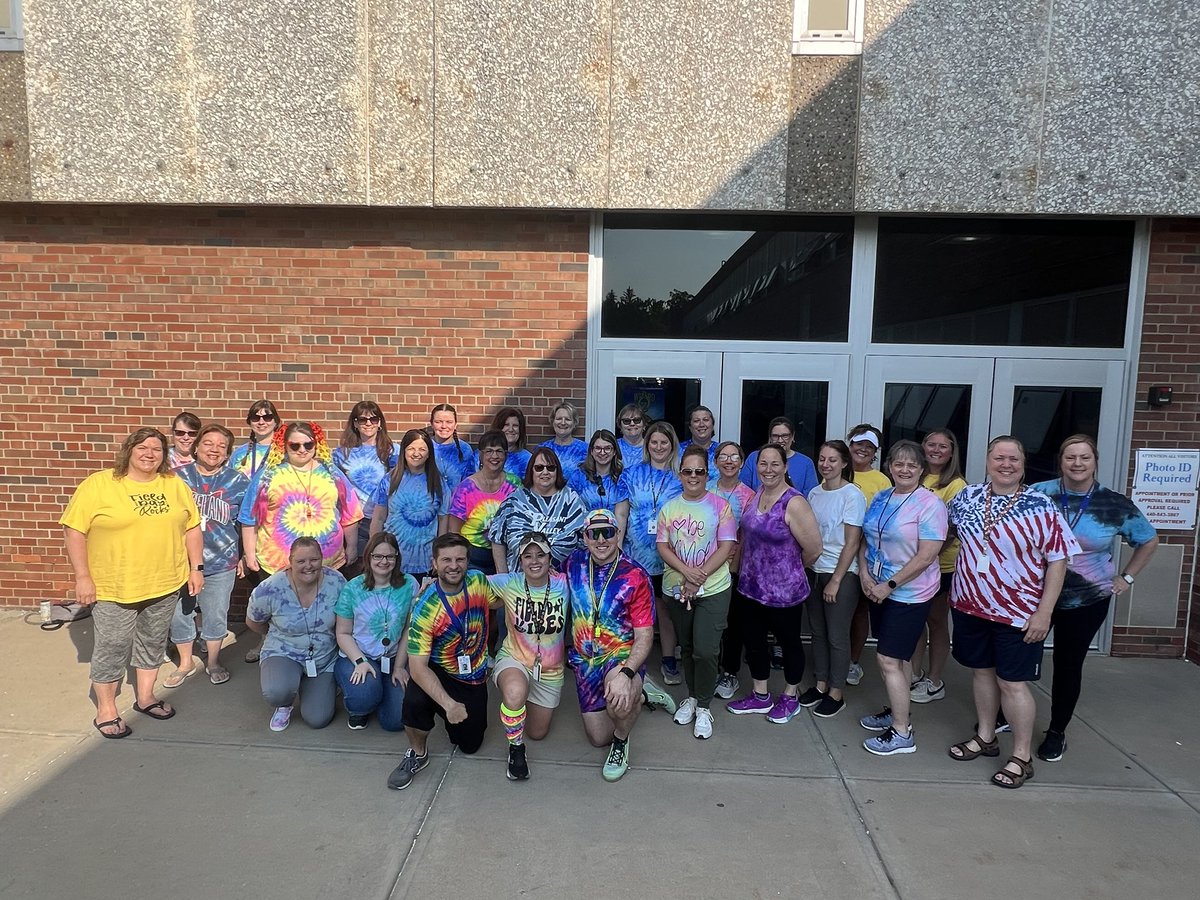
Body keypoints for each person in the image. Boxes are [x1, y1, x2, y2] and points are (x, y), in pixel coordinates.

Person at [946, 436, 1078, 789]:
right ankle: (986, 737)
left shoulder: (1041, 505)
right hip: (970, 606)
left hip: (1019, 612)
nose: (1006, 464)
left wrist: (1044, 613)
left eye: (1013, 459)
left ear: (1024, 463)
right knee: (982, 674)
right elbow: (945, 537)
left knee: (1012, 683)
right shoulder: (967, 498)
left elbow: (1058, 562)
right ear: (987, 459)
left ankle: (1021, 755)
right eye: (999, 457)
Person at [61, 427, 204, 737]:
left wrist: (197, 567)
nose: (149, 453)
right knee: (112, 647)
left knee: (152, 642)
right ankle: (107, 709)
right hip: (114, 586)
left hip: (165, 583)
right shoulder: (100, 484)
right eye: (143, 447)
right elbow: (74, 531)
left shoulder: (173, 485)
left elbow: (191, 527)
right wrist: (83, 577)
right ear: (129, 450)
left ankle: (146, 697)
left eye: (157, 448)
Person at [1029, 434, 1157, 762]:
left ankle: (1057, 731)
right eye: (1070, 457)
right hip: (1032, 594)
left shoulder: (1113, 504)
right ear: (1060, 461)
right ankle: (1006, 714)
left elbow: (1148, 540)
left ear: (1094, 461)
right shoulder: (1038, 494)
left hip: (1085, 599)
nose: (1077, 464)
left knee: (1067, 664)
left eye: (1084, 457)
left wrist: (1126, 577)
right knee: (1018, 657)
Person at [565, 509, 677, 781]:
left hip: (620, 657)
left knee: (620, 702)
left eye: (608, 532)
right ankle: (644, 692)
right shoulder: (572, 563)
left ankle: (621, 740)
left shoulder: (635, 575)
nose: (601, 540)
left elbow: (644, 636)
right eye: (594, 533)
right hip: (586, 662)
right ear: (585, 537)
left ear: (618, 535)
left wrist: (627, 673)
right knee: (596, 737)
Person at [857, 440, 947, 756]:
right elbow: (866, 539)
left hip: (909, 593)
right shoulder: (882, 497)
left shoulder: (930, 504)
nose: (904, 469)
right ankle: (900, 711)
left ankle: (901, 733)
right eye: (898, 463)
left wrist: (889, 585)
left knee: (887, 659)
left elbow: (927, 555)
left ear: (922, 469)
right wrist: (866, 575)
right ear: (890, 467)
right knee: (900, 658)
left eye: (911, 465)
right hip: (879, 589)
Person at [387, 534, 493, 791]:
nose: (453, 565)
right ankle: (417, 752)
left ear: (468, 562)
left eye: (460, 559)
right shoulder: (425, 607)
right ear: (434, 563)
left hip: (473, 676)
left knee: (469, 745)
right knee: (413, 701)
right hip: (439, 670)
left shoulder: (478, 581)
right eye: (446, 559)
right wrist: (449, 704)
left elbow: (502, 598)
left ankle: (451, 718)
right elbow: (418, 667)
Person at [725, 444, 821, 725]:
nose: (768, 469)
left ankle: (790, 697)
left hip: (785, 593)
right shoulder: (756, 497)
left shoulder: (794, 502)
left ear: (785, 467)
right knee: (754, 643)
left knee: (789, 643)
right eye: (763, 464)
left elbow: (814, 548)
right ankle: (760, 694)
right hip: (750, 588)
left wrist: (788, 570)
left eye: (775, 464)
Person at [656, 445, 738, 739]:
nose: (693, 476)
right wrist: (686, 572)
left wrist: (697, 575)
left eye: (699, 471)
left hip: (713, 589)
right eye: (688, 471)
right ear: (680, 474)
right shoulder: (669, 508)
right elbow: (663, 546)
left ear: (707, 473)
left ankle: (704, 705)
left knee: (706, 649)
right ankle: (691, 697)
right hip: (676, 589)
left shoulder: (721, 506)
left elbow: (727, 545)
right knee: (688, 647)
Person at [166, 423, 249, 688]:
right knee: (180, 613)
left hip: (221, 559)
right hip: (178, 560)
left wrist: (245, 555)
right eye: (208, 444)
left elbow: (246, 521)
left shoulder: (238, 481)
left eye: (221, 447)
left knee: (215, 613)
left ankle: (213, 661)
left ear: (227, 454)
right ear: (196, 446)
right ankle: (185, 662)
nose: (214, 450)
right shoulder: (174, 478)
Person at [487, 532, 568, 781]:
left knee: (538, 732)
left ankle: (521, 709)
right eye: (527, 556)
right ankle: (516, 750)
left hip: (550, 670)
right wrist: (430, 583)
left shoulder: (565, 583)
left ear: (549, 557)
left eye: (540, 555)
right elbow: (468, 584)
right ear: (520, 560)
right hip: (515, 659)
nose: (534, 561)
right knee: (514, 694)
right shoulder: (508, 582)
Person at [239, 421, 364, 579]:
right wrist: (249, 555)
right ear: (285, 446)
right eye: (295, 446)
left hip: (328, 563)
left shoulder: (332, 472)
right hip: (278, 566)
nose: (302, 450)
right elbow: (249, 518)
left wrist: (352, 546)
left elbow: (350, 512)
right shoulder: (267, 475)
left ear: (316, 445)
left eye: (308, 445)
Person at [245, 537, 346, 731]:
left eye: (314, 559)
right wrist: (269, 635)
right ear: (290, 562)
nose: (308, 566)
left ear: (322, 558)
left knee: (318, 719)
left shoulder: (337, 581)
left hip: (324, 658)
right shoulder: (270, 588)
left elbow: (347, 618)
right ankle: (284, 705)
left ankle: (317, 687)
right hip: (284, 651)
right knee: (277, 691)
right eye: (301, 561)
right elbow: (253, 621)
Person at [614, 421, 683, 684]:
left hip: (669, 557)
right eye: (653, 442)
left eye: (664, 442)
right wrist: (618, 548)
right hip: (636, 555)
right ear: (647, 445)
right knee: (632, 610)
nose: (658, 447)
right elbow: (621, 512)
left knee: (665, 610)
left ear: (672, 445)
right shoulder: (631, 474)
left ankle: (668, 660)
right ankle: (627, 662)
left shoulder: (680, 476)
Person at [801, 440, 865, 718]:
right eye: (822, 459)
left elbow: (852, 542)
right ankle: (821, 683)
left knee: (837, 636)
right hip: (814, 571)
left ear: (844, 463)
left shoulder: (852, 495)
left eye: (832, 460)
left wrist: (837, 579)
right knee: (818, 632)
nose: (826, 465)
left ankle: (836, 693)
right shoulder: (814, 493)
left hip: (841, 574)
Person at [333, 532, 418, 731]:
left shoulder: (409, 585)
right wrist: (360, 662)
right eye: (377, 556)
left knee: (396, 722)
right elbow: (343, 633)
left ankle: (382, 693)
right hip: (358, 655)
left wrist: (399, 667)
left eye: (389, 556)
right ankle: (359, 709)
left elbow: (408, 628)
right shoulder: (353, 588)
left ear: (397, 557)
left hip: (393, 656)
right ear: (368, 556)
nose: (383, 561)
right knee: (364, 693)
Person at [909, 428, 968, 705]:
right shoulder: (915, 475)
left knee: (936, 621)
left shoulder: (956, 485)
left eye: (943, 446)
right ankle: (914, 672)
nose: (936, 450)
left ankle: (934, 681)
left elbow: (953, 530)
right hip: (912, 564)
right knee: (916, 620)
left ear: (952, 452)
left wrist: (930, 556)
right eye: (931, 444)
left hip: (940, 566)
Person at [490, 446, 587, 572]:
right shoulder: (515, 500)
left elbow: (586, 540)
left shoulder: (571, 500)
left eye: (551, 468)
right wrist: (503, 576)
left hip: (563, 582)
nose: (545, 472)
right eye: (539, 468)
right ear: (531, 471)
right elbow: (497, 539)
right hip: (519, 581)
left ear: (557, 471)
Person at [710, 441, 757, 701]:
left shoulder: (749, 496)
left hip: (734, 566)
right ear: (715, 462)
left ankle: (730, 671)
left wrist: (734, 564)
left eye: (734, 457)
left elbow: (747, 535)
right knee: (708, 621)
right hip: (705, 566)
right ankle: (708, 666)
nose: (728, 461)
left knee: (732, 622)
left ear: (741, 463)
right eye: (723, 456)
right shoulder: (704, 490)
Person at [846, 423, 892, 687]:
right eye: (859, 444)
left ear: (875, 452)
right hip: (835, 552)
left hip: (865, 553)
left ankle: (852, 661)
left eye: (869, 447)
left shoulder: (881, 480)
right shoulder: (837, 471)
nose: (863, 450)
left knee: (858, 611)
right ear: (850, 445)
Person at [371, 428, 449, 577]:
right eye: (411, 449)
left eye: (422, 449)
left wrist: (439, 555)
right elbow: (378, 518)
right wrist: (374, 550)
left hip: (426, 561)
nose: (416, 453)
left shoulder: (439, 483)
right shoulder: (390, 479)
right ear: (404, 452)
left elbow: (443, 520)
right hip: (393, 561)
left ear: (429, 454)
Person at [334, 401, 398, 577]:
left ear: (379, 423)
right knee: (356, 574)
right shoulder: (341, 454)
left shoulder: (393, 452)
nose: (368, 423)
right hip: (355, 523)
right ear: (355, 423)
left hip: (382, 520)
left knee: (382, 574)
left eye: (373, 419)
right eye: (362, 420)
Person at [447, 430, 521, 576]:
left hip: (507, 558)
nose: (494, 456)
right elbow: (454, 531)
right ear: (480, 455)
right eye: (489, 451)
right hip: (473, 560)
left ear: (506, 455)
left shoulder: (515, 484)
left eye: (499, 451)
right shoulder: (465, 488)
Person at [739, 416, 819, 496]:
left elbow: (811, 497)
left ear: (793, 436)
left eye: (785, 436)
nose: (780, 440)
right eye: (775, 436)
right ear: (770, 437)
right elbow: (743, 491)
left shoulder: (806, 463)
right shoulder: (754, 458)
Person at [568, 429, 627, 520]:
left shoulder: (622, 477)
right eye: (598, 448)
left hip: (614, 531)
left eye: (607, 448)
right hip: (583, 531)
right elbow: (569, 507)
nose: (602, 453)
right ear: (591, 451)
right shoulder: (578, 476)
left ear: (615, 451)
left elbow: (622, 515)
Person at [429, 403, 477, 496]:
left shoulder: (464, 449)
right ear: (432, 424)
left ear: (455, 425)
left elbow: (469, 482)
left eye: (449, 422)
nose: (444, 426)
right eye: (438, 422)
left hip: (456, 505)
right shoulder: (425, 447)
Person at [230, 399, 281, 482]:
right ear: (249, 422)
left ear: (276, 421)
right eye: (255, 418)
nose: (261, 422)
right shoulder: (239, 454)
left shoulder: (285, 452)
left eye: (267, 418)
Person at [538, 401, 588, 482]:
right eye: (559, 419)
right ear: (552, 421)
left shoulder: (585, 450)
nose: (563, 422)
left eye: (568, 419)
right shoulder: (542, 449)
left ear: (574, 423)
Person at [491, 405, 531, 480]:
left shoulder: (528, 459)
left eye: (515, 426)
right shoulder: (481, 456)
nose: (511, 429)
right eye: (506, 425)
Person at [678, 404, 718, 469]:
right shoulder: (678, 451)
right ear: (690, 427)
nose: (701, 424)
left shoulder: (721, 451)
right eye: (696, 421)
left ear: (712, 425)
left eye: (705, 420)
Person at [616, 402, 647, 469]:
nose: (632, 424)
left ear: (644, 425)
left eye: (637, 420)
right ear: (620, 426)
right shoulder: (613, 446)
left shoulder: (652, 447)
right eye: (626, 421)